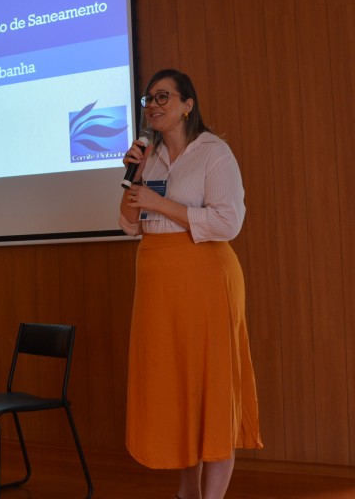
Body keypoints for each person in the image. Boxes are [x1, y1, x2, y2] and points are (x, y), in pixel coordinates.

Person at [119, 69, 262, 499]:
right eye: (148, 99)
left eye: (163, 96)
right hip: (159, 287)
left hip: (205, 281)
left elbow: (228, 221)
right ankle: (188, 491)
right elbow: (128, 224)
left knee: (211, 387)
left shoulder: (214, 153)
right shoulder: (150, 155)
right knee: (176, 388)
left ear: (187, 104)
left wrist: (160, 202)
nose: (153, 105)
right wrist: (132, 178)